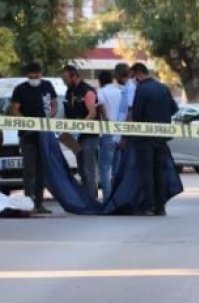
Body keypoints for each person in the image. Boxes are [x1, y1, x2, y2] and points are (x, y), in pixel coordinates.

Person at [130, 63, 178, 216]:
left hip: (145, 137)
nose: (134, 80)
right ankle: (161, 206)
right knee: (160, 172)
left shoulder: (141, 89)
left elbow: (137, 114)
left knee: (147, 172)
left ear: (138, 74)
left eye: (134, 77)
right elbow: (174, 108)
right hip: (162, 137)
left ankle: (149, 206)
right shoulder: (163, 88)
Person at [10, 63, 58, 214]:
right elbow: (14, 110)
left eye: (37, 76)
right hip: (27, 135)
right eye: (32, 76)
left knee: (41, 171)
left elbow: (54, 104)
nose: (35, 79)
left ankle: (39, 203)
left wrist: (50, 115)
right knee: (29, 170)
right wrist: (28, 123)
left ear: (41, 74)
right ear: (27, 75)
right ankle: (28, 203)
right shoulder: (20, 89)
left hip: (43, 135)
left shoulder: (47, 86)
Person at [61, 65, 100, 200]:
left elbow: (92, 113)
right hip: (76, 138)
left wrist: (79, 127)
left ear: (74, 76)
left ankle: (92, 198)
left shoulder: (87, 91)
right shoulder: (69, 92)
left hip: (89, 136)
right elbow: (68, 113)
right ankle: (85, 197)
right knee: (82, 169)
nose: (64, 81)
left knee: (89, 170)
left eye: (65, 78)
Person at [96, 70, 122, 199]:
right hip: (121, 134)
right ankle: (117, 198)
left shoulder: (101, 92)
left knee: (104, 169)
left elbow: (103, 111)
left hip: (108, 133)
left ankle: (107, 199)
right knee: (117, 169)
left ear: (100, 81)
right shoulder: (120, 92)